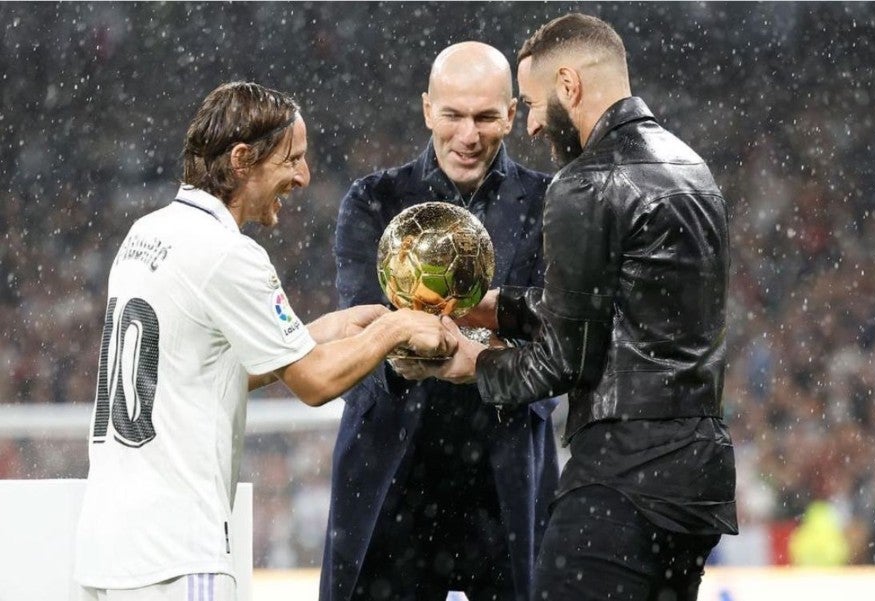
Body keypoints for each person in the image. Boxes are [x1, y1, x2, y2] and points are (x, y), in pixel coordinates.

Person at [73, 81, 454, 601]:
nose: (303, 176)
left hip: (107, 550)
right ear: (242, 159)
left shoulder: (147, 233)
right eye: (291, 159)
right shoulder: (228, 253)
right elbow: (316, 384)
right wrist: (397, 326)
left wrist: (316, 333)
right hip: (178, 555)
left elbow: (202, 373)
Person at [414, 14, 738, 601]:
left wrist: (472, 365)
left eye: (533, 103)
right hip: (697, 478)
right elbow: (622, 316)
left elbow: (563, 362)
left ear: (569, 85)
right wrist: (493, 309)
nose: (532, 123)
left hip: (623, 476)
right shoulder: (692, 167)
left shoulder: (586, 181)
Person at [322, 42, 559, 601]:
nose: (467, 135)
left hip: (507, 477)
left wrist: (444, 348)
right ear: (428, 109)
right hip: (388, 469)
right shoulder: (374, 201)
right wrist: (473, 344)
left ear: (511, 113)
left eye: (484, 117)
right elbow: (360, 329)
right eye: (452, 115)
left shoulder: (550, 205)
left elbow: (559, 343)